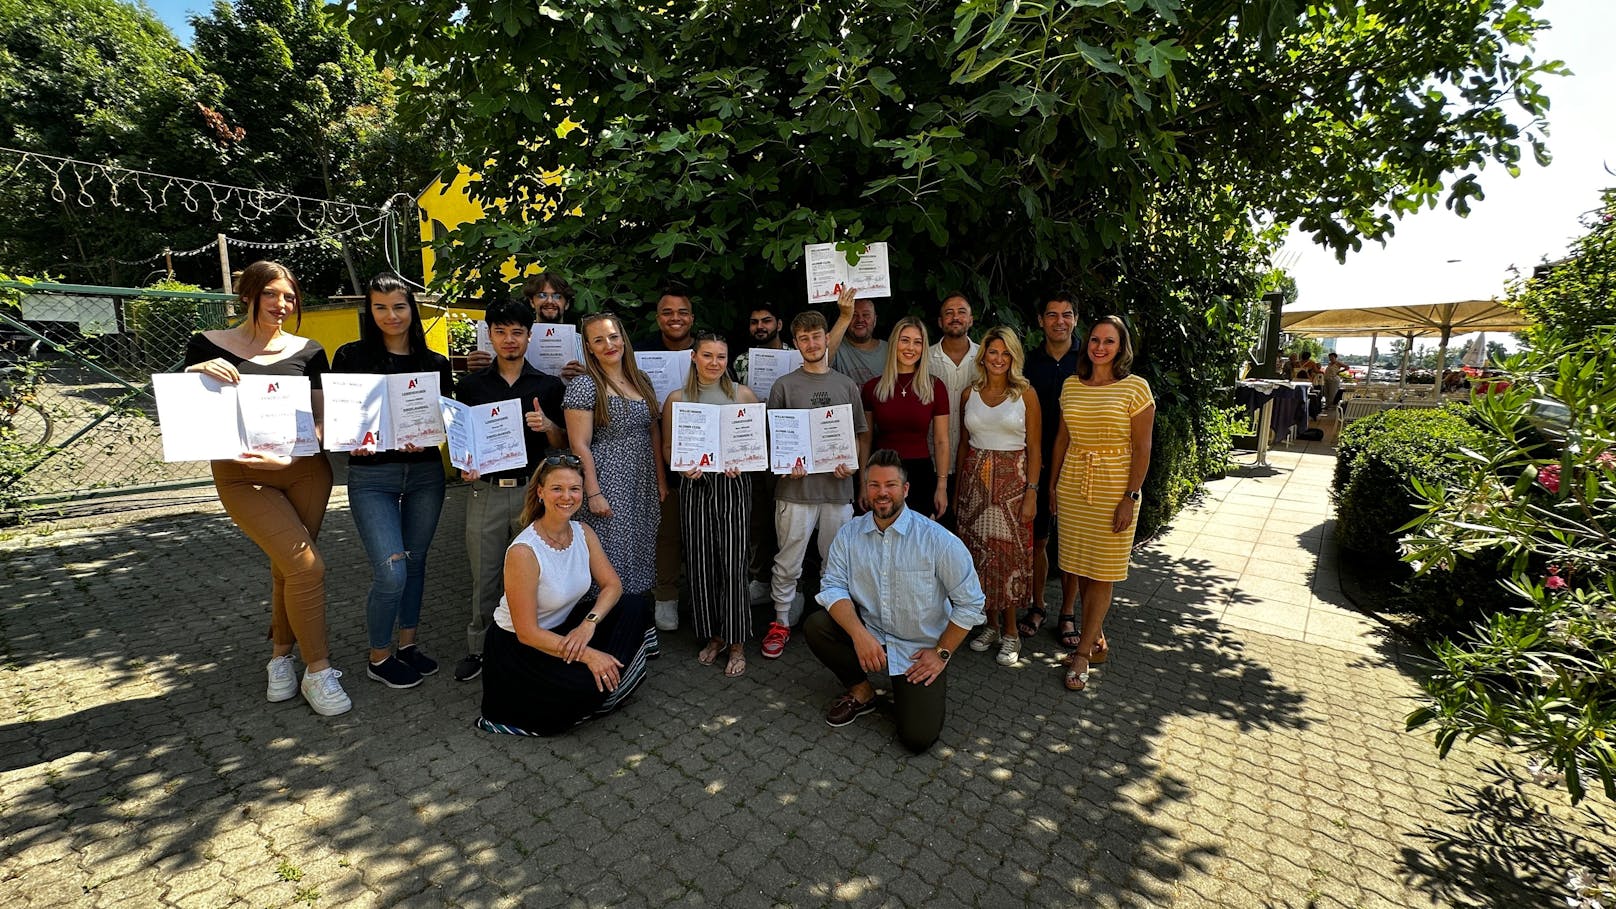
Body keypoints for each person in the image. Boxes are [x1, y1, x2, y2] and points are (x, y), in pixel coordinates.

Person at [182, 260, 349, 716]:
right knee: (308, 568)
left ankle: (280, 659)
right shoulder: (207, 346)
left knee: (288, 569)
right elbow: (184, 410)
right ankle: (318, 671)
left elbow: (321, 420)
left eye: (290, 296)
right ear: (249, 296)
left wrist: (292, 456)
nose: (282, 304)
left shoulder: (310, 351)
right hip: (241, 477)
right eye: (273, 294)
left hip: (304, 471)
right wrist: (194, 372)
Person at [804, 450, 987, 753]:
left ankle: (908, 688)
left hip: (919, 650)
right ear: (865, 489)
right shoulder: (850, 534)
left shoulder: (937, 540)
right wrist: (859, 636)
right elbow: (833, 586)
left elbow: (970, 603)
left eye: (890, 485)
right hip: (872, 632)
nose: (882, 493)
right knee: (817, 625)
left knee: (917, 739)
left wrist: (941, 654)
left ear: (905, 489)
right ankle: (862, 692)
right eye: (874, 485)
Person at [330, 273, 454, 689]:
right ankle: (378, 656)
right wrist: (352, 442)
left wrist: (431, 436)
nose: (391, 315)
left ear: (412, 310)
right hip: (371, 476)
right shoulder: (350, 357)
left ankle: (407, 647)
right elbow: (341, 419)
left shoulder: (435, 364)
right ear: (370, 310)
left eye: (399, 306)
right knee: (392, 571)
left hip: (424, 474)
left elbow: (445, 420)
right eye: (380, 307)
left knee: (416, 562)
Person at [476, 455, 652, 736]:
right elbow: (527, 633)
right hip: (521, 649)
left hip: (565, 630)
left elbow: (612, 585)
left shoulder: (583, 531)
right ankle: (604, 678)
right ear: (541, 492)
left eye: (575, 489)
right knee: (585, 686)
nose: (567, 496)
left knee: (635, 605)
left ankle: (609, 674)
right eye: (557, 488)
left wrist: (589, 624)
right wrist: (589, 655)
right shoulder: (524, 551)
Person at [453, 297, 567, 682]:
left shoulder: (549, 386)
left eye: (517, 332)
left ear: (529, 336)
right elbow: (461, 442)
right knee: (484, 573)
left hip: (532, 494)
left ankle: (529, 645)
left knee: (533, 575)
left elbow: (559, 444)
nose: (509, 339)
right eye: (500, 332)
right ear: (490, 336)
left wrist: (547, 426)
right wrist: (465, 464)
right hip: (485, 492)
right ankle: (479, 649)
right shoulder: (470, 386)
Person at [1048, 316, 1155, 691]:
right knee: (1078, 566)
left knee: (1102, 571)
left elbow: (1143, 448)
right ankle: (1096, 638)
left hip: (1113, 489)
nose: (1100, 347)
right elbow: (1062, 439)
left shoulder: (1136, 388)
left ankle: (1082, 654)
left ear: (1121, 347)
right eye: (1094, 339)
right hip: (1075, 485)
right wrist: (1052, 485)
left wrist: (1130, 497)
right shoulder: (1072, 386)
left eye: (1109, 341)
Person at [763, 309, 870, 659]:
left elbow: (857, 437)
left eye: (816, 336)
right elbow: (773, 440)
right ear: (796, 344)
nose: (811, 343)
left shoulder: (845, 385)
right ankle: (780, 620)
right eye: (804, 339)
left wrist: (851, 467)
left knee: (834, 562)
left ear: (827, 338)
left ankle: (830, 622)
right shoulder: (784, 386)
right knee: (789, 561)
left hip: (837, 491)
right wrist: (784, 465)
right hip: (795, 491)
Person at [661, 333, 760, 678]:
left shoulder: (743, 395)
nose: (715, 363)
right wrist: (681, 465)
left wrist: (742, 462)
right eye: (707, 355)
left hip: (733, 484)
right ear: (694, 357)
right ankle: (714, 635)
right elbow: (668, 449)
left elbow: (754, 448)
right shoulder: (677, 399)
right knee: (701, 563)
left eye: (721, 356)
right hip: (694, 484)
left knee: (733, 562)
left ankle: (737, 642)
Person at [565, 312, 667, 641]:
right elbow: (578, 443)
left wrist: (661, 481)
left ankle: (638, 631)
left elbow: (653, 432)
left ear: (623, 338)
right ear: (589, 348)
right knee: (610, 558)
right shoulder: (584, 386)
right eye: (599, 340)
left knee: (639, 552)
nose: (608, 345)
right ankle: (609, 636)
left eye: (613, 336)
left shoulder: (641, 380)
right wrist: (592, 491)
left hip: (642, 482)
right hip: (608, 481)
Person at [955, 327, 1041, 666]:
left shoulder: (1026, 395)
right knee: (979, 556)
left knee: (1009, 558)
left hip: (1013, 484)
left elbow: (1034, 448)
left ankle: (1011, 633)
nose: (999, 359)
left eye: (1006, 353)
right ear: (983, 355)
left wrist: (1032, 492)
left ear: (1014, 357)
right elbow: (964, 442)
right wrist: (959, 486)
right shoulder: (969, 394)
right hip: (975, 482)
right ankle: (989, 625)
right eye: (993, 352)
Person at [1019, 293, 1081, 647]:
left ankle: (1068, 612)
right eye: (1052, 314)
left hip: (1079, 465)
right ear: (1041, 321)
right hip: (1037, 465)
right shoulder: (1027, 364)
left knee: (1071, 542)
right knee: (1038, 540)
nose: (1060, 321)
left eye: (1067, 315)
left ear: (1075, 320)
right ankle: (1038, 605)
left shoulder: (1089, 361)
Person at [635, 285, 695, 633]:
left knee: (704, 534)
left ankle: (707, 597)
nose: (675, 318)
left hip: (700, 454)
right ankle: (666, 598)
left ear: (692, 318)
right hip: (654, 452)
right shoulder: (640, 354)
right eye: (668, 312)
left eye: (682, 312)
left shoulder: (706, 352)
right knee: (666, 533)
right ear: (658, 318)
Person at [732, 301, 790, 608]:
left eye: (766, 321)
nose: (760, 327)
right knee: (757, 516)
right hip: (754, 445)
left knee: (789, 514)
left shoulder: (797, 356)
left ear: (779, 324)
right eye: (754, 321)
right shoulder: (741, 361)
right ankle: (759, 578)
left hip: (790, 444)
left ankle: (789, 581)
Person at [861, 316, 950, 519]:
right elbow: (865, 440)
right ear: (894, 343)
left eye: (917, 342)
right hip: (881, 474)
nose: (911, 348)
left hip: (920, 473)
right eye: (905, 340)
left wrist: (941, 486)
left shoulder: (935, 387)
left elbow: (942, 440)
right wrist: (863, 483)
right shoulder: (872, 388)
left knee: (918, 543)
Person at [464, 272, 585, 379]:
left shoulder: (583, 343)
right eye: (542, 295)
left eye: (557, 296)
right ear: (532, 302)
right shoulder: (510, 336)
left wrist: (586, 377)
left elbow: (600, 382)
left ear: (567, 303)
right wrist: (477, 367)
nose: (549, 301)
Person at [926, 292, 979, 527]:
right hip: (931, 460)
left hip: (974, 462)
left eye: (961, 312)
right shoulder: (923, 358)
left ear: (971, 320)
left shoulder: (987, 358)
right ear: (940, 322)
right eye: (949, 313)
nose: (955, 317)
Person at [830, 297, 887, 387]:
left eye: (866, 315)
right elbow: (821, 362)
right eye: (854, 315)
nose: (860, 320)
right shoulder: (836, 347)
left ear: (875, 320)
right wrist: (844, 316)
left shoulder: (889, 349)